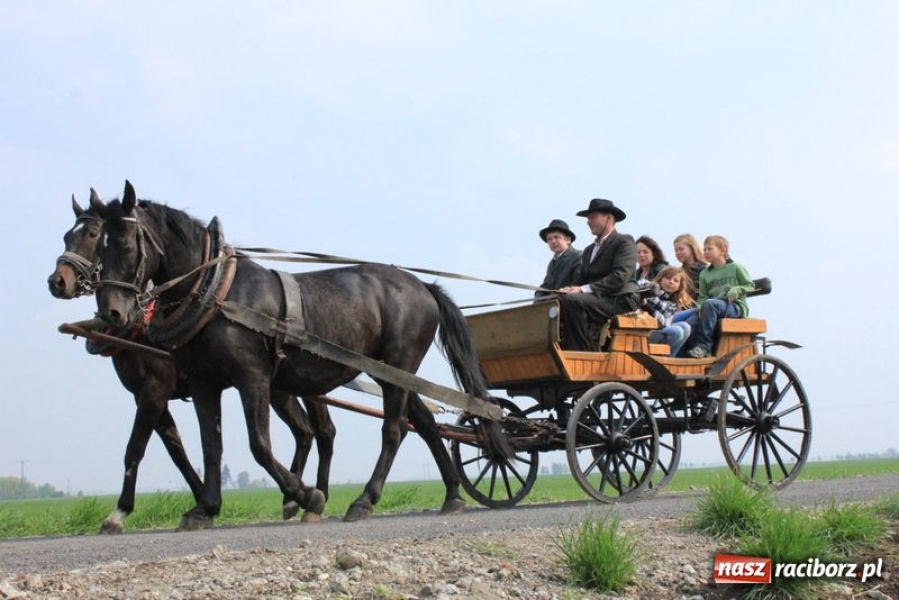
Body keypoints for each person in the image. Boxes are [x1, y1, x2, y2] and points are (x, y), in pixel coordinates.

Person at [558, 198, 639, 351]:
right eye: (588, 218)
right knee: (560, 300)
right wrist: (566, 289)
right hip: (597, 299)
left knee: (573, 301)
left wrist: (582, 290)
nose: (588, 222)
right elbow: (582, 278)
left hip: (619, 299)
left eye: (592, 217)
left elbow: (620, 277)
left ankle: (582, 353)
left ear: (609, 218)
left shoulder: (624, 242)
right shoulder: (589, 250)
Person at [685, 235, 754, 358]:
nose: (705, 252)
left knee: (710, 304)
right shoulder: (704, 274)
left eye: (709, 249)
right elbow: (703, 296)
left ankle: (704, 346)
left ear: (723, 250)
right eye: (704, 249)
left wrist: (736, 289)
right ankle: (699, 354)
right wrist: (700, 307)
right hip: (712, 307)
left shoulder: (735, 267)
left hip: (734, 307)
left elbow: (750, 285)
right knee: (689, 323)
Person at [643, 266, 695, 356]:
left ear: (679, 287)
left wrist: (648, 307)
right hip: (643, 332)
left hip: (657, 330)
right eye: (668, 278)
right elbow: (638, 285)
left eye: (675, 280)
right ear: (661, 279)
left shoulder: (672, 304)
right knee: (676, 331)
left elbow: (665, 323)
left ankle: (669, 359)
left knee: (685, 327)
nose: (671, 281)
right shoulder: (650, 287)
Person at [535, 219, 582, 298]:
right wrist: (538, 295)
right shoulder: (552, 263)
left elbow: (578, 283)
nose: (553, 241)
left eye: (556, 237)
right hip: (553, 305)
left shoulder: (578, 256)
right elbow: (546, 285)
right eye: (549, 239)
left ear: (568, 240)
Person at [672, 233, 708, 299]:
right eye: (676, 250)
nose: (678, 253)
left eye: (681, 249)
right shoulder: (678, 272)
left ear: (692, 249)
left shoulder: (704, 270)